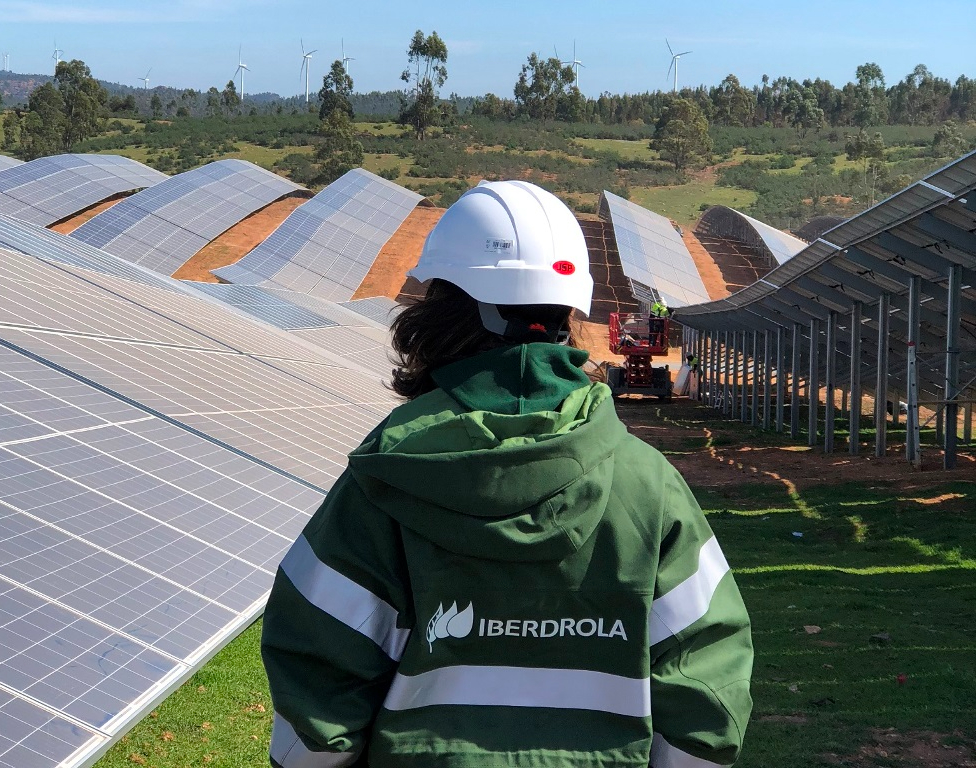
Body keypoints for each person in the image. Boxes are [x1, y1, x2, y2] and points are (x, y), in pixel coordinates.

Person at [261, 181, 753, 768]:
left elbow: (316, 693)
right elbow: (706, 687)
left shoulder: (389, 476)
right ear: (571, 310)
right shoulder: (648, 484)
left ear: (441, 308)